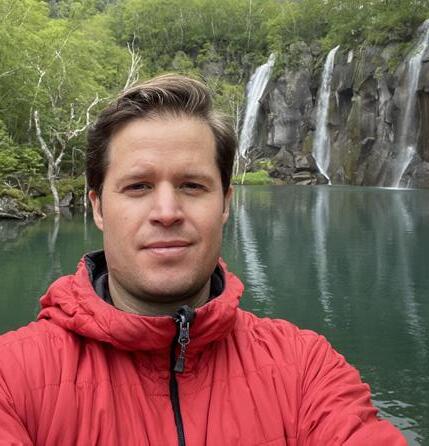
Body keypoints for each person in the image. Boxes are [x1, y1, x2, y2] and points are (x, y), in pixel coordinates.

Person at [0, 74, 407, 446]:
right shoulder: (12, 378)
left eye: (192, 185)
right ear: (98, 208)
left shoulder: (306, 369)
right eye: (138, 186)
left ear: (225, 203)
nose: (167, 212)